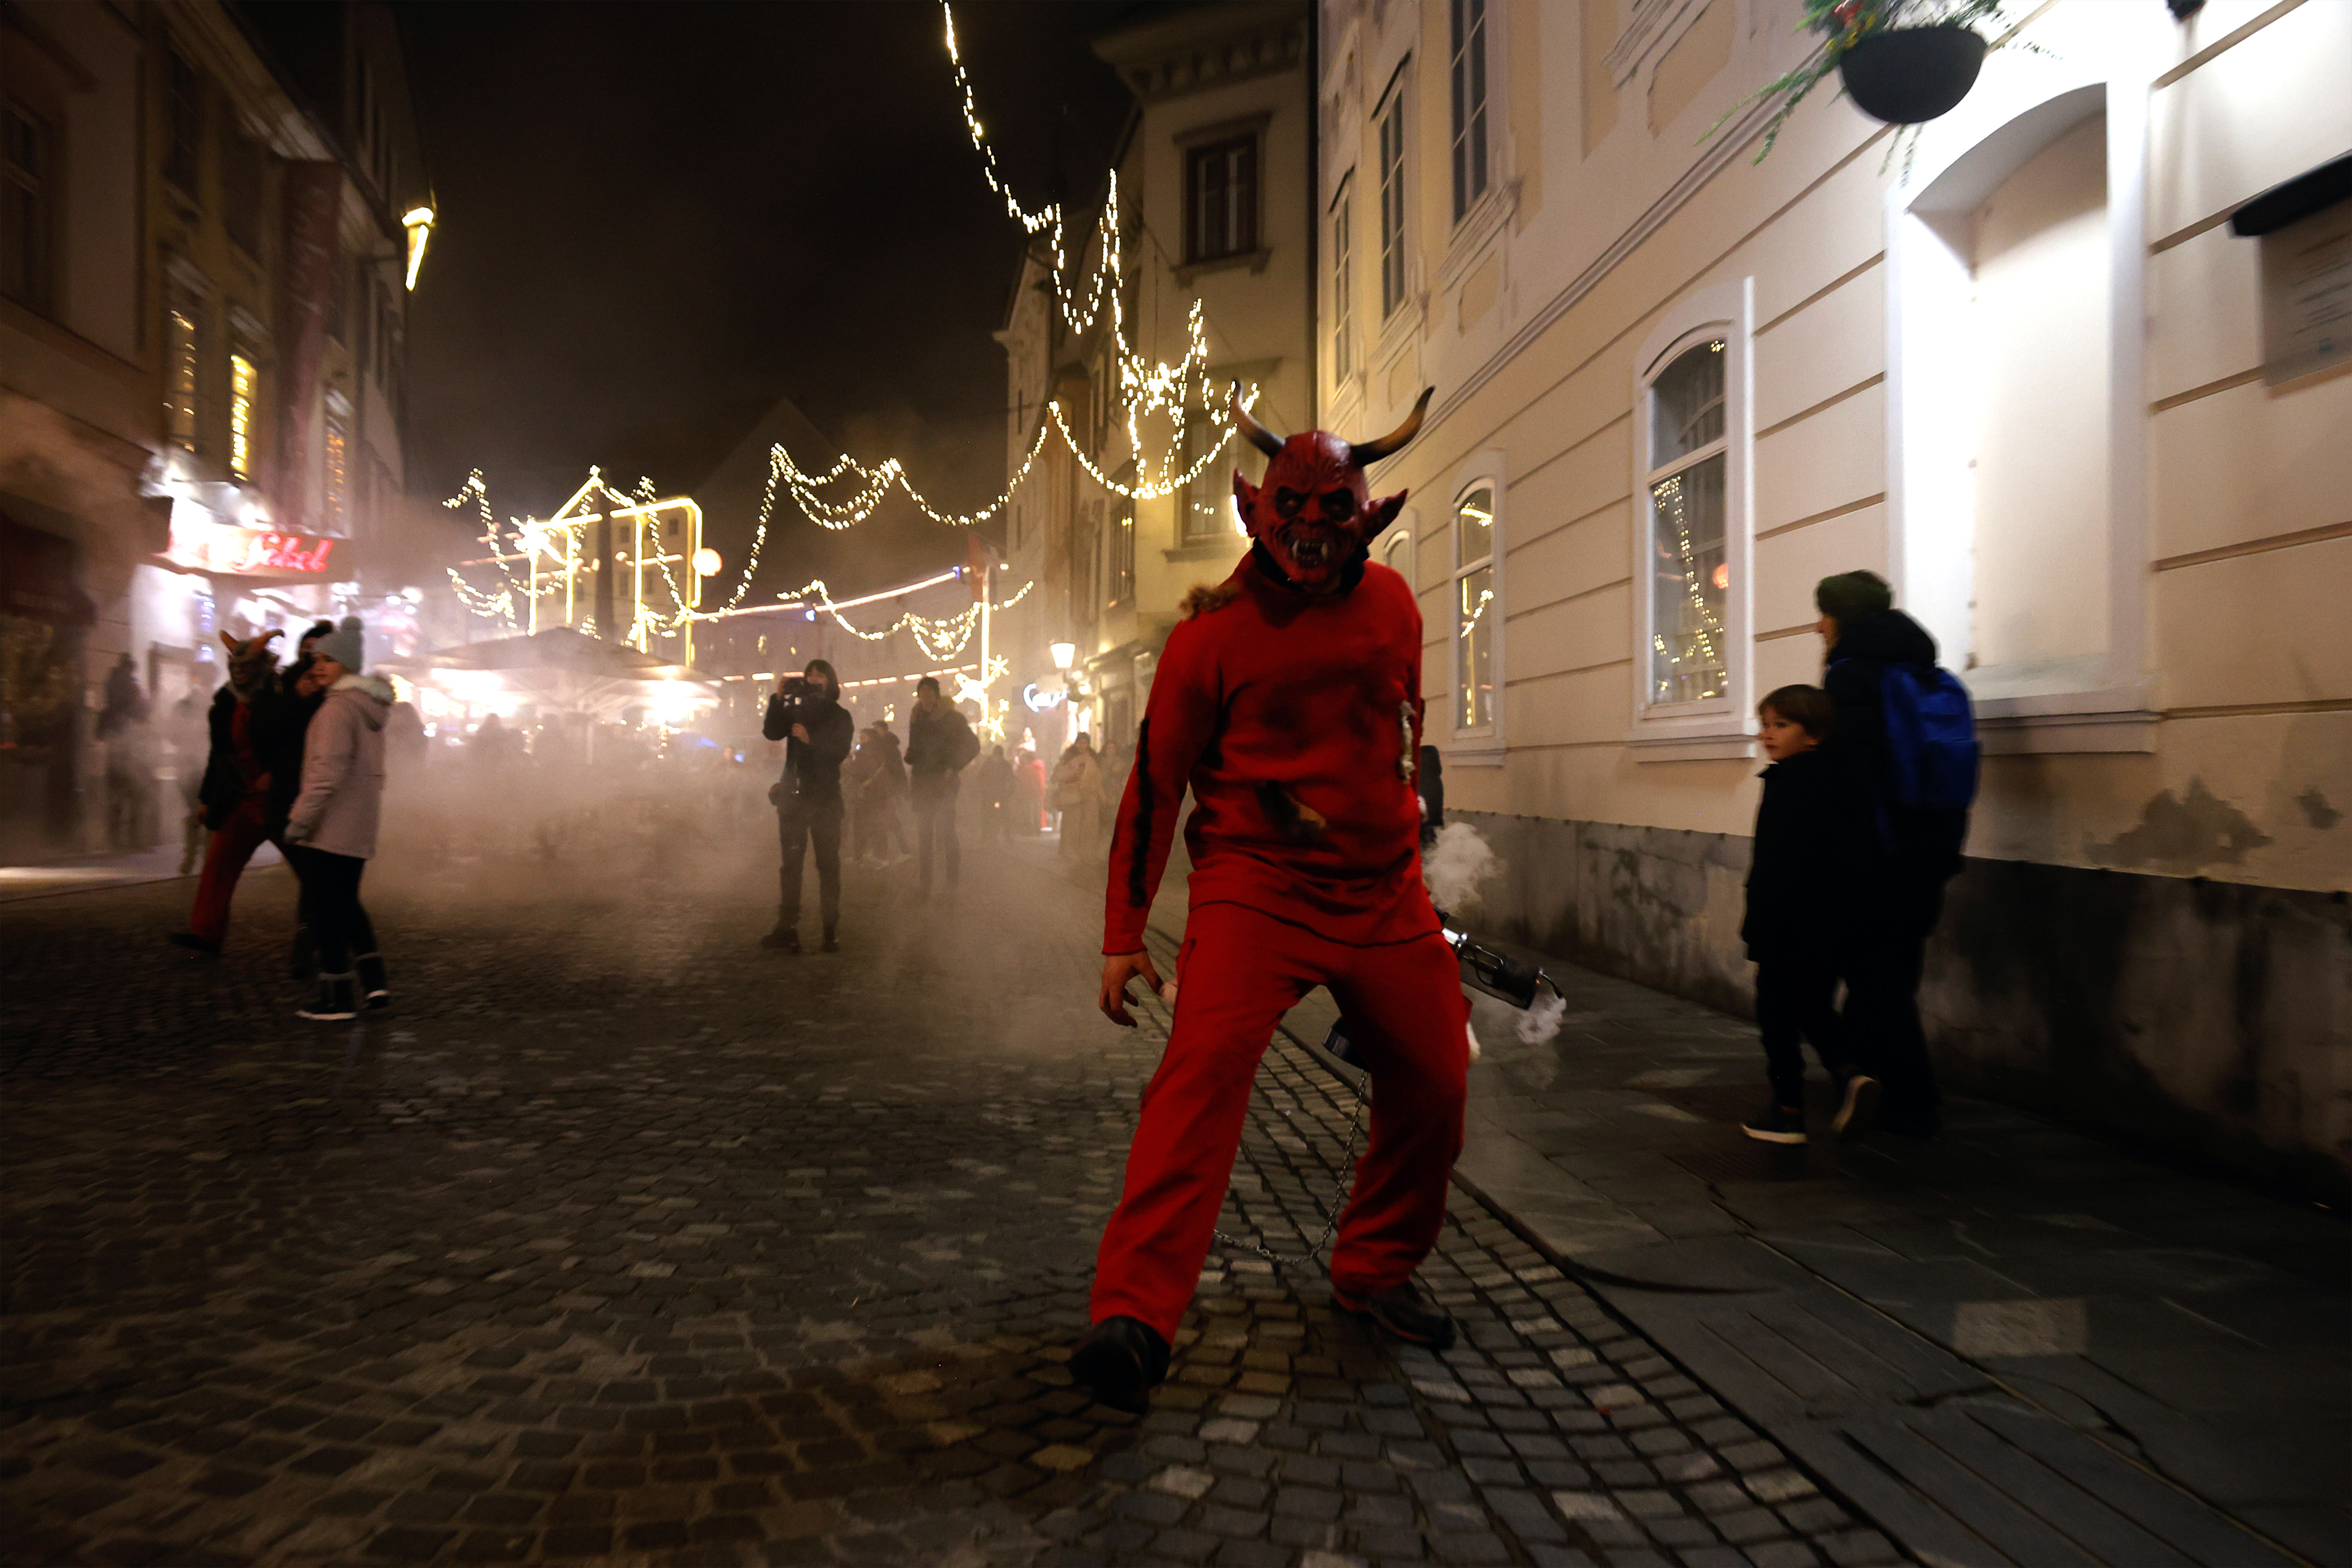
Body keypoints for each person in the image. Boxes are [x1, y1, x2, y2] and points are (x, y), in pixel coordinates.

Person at [1072, 386, 1463, 1414]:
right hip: (1255, 890)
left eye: (1334, 513)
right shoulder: (1210, 640)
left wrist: (1419, 824)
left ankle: (1376, 1266)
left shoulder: (1397, 608)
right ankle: (1134, 1316)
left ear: (1366, 516)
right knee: (1198, 1078)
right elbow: (1156, 785)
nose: (1310, 535)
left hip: (1384, 895)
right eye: (1292, 510)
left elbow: (1406, 727)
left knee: (1437, 1077)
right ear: (1260, 509)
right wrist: (1124, 935)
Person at [1816, 571, 1971, 1138]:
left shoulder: (1852, 676)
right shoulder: (1924, 670)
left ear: (1841, 618)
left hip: (1874, 854)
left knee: (1875, 974)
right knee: (1893, 967)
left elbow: (1850, 777)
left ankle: (1913, 1099)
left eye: (1823, 614)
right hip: (1929, 851)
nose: (1818, 625)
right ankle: (1866, 1076)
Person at [1737, 685, 1876, 1145]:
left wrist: (1760, 924)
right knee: (1814, 1006)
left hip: (1789, 924)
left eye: (1782, 724)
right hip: (1836, 923)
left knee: (1775, 1014)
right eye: (1766, 723)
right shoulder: (1845, 781)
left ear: (1813, 734)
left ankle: (1788, 1112)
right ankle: (1850, 1075)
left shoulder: (1790, 785)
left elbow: (1779, 865)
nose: (1768, 734)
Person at [282, 617, 393, 1020]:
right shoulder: (368, 708)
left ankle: (338, 997)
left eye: (328, 659)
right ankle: (375, 986)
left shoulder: (337, 711)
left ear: (347, 664)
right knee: (347, 906)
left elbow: (326, 773)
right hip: (358, 824)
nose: (318, 666)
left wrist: (299, 820)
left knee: (328, 910)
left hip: (332, 826)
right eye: (317, 659)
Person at [169, 631, 288, 954]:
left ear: (262, 666)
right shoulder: (225, 703)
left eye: (248, 664)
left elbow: (295, 744)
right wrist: (208, 799)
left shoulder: (279, 698)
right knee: (219, 865)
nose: (240, 671)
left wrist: (275, 774)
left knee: (310, 870)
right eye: (235, 664)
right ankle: (205, 932)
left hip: (279, 802)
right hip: (241, 799)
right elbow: (218, 756)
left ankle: (330, 934)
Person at [760, 659, 853, 954]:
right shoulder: (795, 710)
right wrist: (777, 700)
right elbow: (773, 733)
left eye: (820, 675)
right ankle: (787, 929)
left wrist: (810, 740)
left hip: (825, 800)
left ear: (831, 681)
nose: (814, 680)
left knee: (828, 866)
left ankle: (830, 930)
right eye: (809, 675)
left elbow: (839, 751)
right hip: (794, 800)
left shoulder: (840, 715)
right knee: (790, 867)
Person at [906, 675, 980, 898]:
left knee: (947, 833)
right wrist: (912, 755)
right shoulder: (916, 716)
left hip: (944, 781)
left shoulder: (952, 718)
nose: (925, 695)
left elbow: (973, 745)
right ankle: (924, 886)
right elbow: (918, 746)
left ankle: (952, 883)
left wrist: (953, 767)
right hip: (922, 781)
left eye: (929, 691)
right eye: (922, 691)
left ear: (937, 695)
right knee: (924, 834)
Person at [96, 654, 153, 850]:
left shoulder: (112, 687)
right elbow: (142, 714)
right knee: (135, 797)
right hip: (129, 753)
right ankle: (134, 841)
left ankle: (115, 842)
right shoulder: (129, 688)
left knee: (117, 799)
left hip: (119, 752)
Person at [1050, 735, 1107, 861]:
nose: (1082, 745)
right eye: (1080, 743)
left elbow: (1098, 777)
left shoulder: (1093, 757)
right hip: (1073, 796)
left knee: (1090, 825)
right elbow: (1059, 775)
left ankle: (1087, 852)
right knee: (1072, 825)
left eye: (1085, 743)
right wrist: (1073, 774)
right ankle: (1070, 851)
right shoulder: (1068, 757)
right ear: (1076, 743)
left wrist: (1101, 795)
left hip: (1090, 795)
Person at [976, 744, 1015, 844]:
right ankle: (987, 836)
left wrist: (1009, 793)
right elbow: (981, 779)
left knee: (1000, 816)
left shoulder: (991, 764)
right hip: (993, 795)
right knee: (990, 815)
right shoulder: (993, 764)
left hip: (999, 795)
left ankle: (1004, 836)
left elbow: (1011, 780)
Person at [1014, 744, 1047, 835]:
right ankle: (1037, 829)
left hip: (1028, 793)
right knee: (1037, 811)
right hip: (1039, 792)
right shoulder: (1041, 767)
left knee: (1030, 812)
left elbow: (1021, 781)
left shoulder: (1027, 769)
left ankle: (1031, 830)